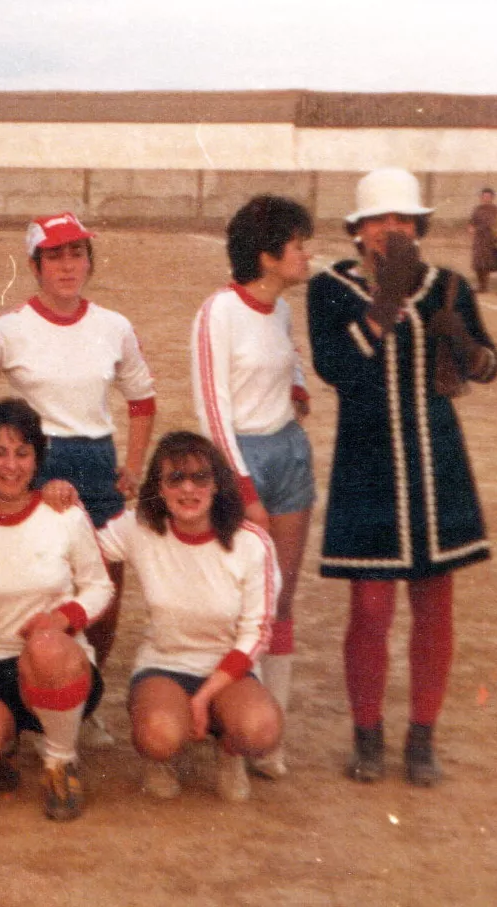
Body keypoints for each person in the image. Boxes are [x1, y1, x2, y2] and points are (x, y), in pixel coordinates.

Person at [308, 168, 497, 787]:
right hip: (368, 468)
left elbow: (490, 366)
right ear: (358, 231)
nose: (391, 229)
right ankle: (368, 734)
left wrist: (466, 345)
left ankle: (422, 737)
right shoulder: (330, 289)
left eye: (402, 220)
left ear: (418, 226)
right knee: (369, 607)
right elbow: (335, 368)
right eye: (377, 220)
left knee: (435, 603)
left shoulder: (448, 286)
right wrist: (384, 308)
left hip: (438, 463)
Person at [0, 212, 154, 738]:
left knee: (103, 597)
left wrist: (134, 464)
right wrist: (0, 468)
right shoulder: (7, 330)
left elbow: (141, 398)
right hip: (33, 467)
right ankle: (23, 703)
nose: (68, 265)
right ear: (34, 265)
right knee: (36, 591)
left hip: (97, 467)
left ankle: (85, 704)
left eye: (77, 253)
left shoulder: (114, 326)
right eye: (55, 255)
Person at [0, 400, 114, 821]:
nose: (10, 465)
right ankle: (6, 737)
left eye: (22, 452)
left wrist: (62, 618)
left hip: (59, 659)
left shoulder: (63, 513)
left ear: (37, 458)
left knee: (47, 646)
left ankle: (60, 758)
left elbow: (99, 585)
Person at [190, 195, 314, 778]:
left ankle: (272, 735)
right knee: (244, 605)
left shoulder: (283, 310)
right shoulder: (218, 311)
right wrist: (243, 489)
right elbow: (212, 405)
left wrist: (297, 387)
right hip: (241, 461)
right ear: (266, 255)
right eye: (298, 245)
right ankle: (235, 737)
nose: (306, 254)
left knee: (281, 600)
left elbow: (288, 359)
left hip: (290, 453)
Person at [95, 432, 281, 803]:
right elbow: (82, 544)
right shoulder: (140, 529)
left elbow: (257, 633)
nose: (189, 489)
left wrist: (205, 695)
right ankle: (160, 759)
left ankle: (229, 751)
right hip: (164, 663)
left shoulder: (251, 543)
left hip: (228, 671)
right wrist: (56, 500)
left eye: (201, 478)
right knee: (159, 736)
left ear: (218, 485)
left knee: (261, 731)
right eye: (175, 478)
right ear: (158, 488)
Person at [467, 188, 497, 293]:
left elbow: (490, 224)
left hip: (489, 238)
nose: (486, 199)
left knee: (486, 263)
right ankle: (480, 285)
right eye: (484, 196)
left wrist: (476, 229)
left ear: (492, 198)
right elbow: (472, 220)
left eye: (488, 197)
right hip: (478, 239)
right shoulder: (477, 209)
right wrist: (470, 226)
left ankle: (484, 286)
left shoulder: (495, 209)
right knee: (477, 263)